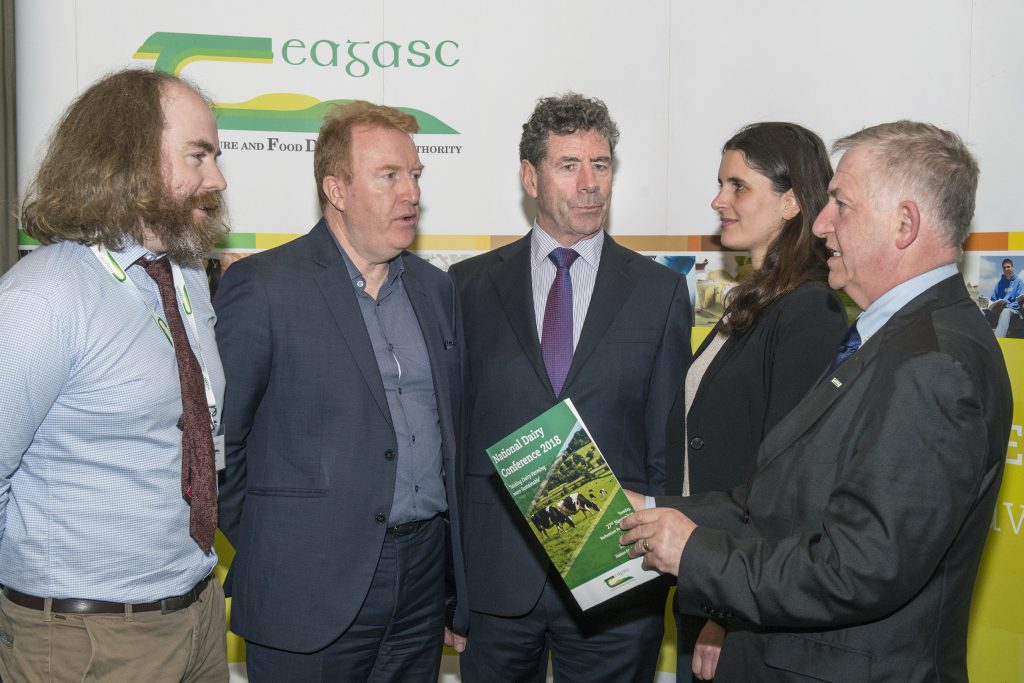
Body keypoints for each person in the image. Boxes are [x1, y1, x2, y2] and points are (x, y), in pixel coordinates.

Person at [621, 121, 1012, 681]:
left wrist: (697, 553)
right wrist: (654, 511)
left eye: (841, 205)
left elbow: (861, 567)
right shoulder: (890, 339)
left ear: (904, 224)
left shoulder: (934, 364)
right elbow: (779, 499)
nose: (821, 223)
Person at [214, 100, 467, 681]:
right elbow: (220, 443)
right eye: (389, 176)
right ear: (336, 189)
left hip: (423, 581)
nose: (411, 193)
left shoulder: (436, 291)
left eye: (415, 175)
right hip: (306, 585)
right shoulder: (265, 287)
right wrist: (275, 544)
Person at [451, 93, 691, 682]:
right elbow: (452, 442)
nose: (590, 184)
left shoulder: (658, 292)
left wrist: (662, 566)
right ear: (530, 177)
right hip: (496, 582)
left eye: (600, 165)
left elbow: (666, 445)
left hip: (616, 578)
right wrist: (451, 586)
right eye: (569, 165)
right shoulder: (466, 287)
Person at [0, 68, 229, 682]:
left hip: (199, 615)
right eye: (198, 156)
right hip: (86, 639)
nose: (217, 180)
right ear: (132, 159)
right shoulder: (43, 295)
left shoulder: (186, 277)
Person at [666, 122, 847, 681]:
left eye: (738, 186)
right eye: (721, 184)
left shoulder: (810, 309)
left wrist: (729, 613)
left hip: (741, 600)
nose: (718, 201)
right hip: (707, 573)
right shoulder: (757, 296)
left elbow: (787, 487)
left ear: (791, 202)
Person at [983, 258, 1024, 337]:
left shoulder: (1019, 282)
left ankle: (998, 342)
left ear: (1013, 268)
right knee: (981, 311)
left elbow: (1020, 300)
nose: (1006, 269)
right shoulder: (999, 284)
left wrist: (1007, 306)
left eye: (1008, 267)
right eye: (1004, 267)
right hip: (999, 310)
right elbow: (993, 299)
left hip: (1013, 311)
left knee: (1005, 311)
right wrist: (990, 304)